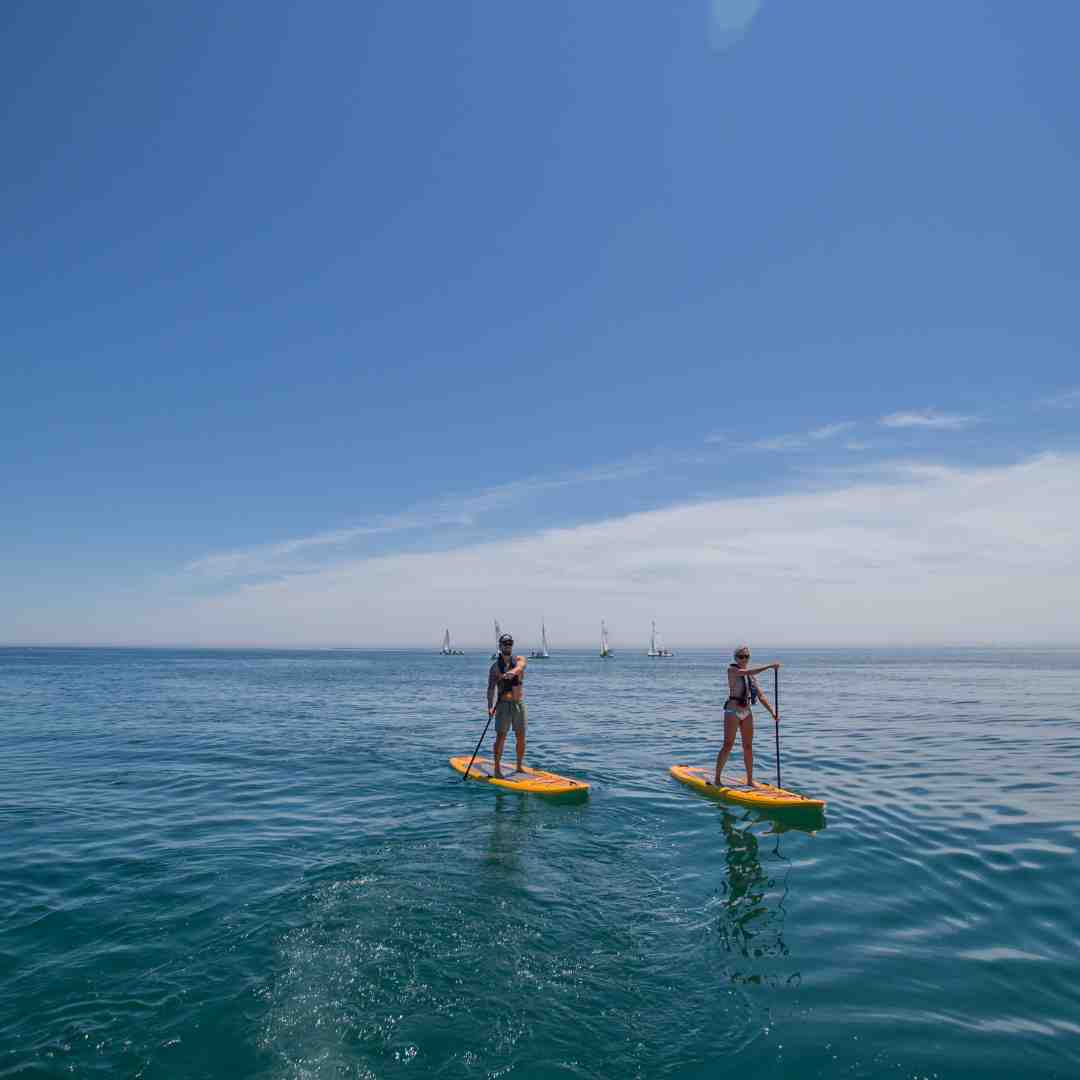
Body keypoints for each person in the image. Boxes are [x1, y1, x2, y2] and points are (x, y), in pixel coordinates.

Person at [714, 646, 780, 788]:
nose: (743, 659)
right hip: (732, 712)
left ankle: (750, 780)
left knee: (748, 746)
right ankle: (717, 779)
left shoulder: (751, 677)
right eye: (741, 656)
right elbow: (747, 671)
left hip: (747, 713)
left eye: (746, 656)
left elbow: (761, 696)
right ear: (736, 658)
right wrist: (770, 666)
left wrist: (773, 713)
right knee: (728, 745)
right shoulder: (732, 670)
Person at [487, 632, 528, 778]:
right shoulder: (495, 668)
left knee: (521, 736)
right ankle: (497, 769)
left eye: (510, 643)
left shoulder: (519, 659)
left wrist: (511, 673)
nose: (508, 646)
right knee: (501, 737)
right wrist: (490, 707)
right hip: (503, 705)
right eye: (505, 644)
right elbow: (491, 689)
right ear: (500, 646)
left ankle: (519, 766)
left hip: (518, 704)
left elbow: (521, 666)